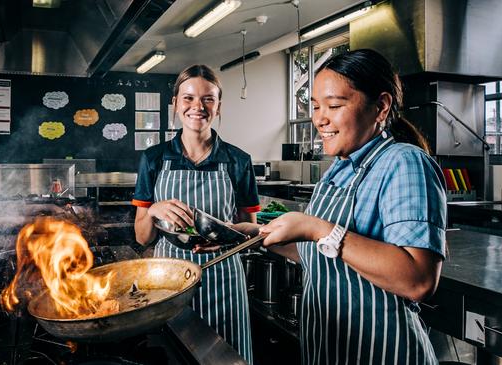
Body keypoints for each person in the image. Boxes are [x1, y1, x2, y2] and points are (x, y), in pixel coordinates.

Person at [237, 49, 446, 364]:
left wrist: (316, 227)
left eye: (334, 105)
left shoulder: (404, 162)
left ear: (381, 106)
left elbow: (418, 279)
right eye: (317, 106)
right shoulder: (338, 169)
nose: (320, 119)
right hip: (330, 349)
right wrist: (249, 235)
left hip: (382, 351)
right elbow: (321, 254)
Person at [132, 64, 260, 363]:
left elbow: (250, 233)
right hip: (168, 279)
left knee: (228, 356)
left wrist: (228, 232)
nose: (197, 107)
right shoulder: (154, 159)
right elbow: (141, 238)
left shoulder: (238, 160)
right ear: (175, 104)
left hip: (223, 276)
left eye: (208, 98)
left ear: (218, 106)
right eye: (188, 98)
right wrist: (152, 210)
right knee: (174, 354)